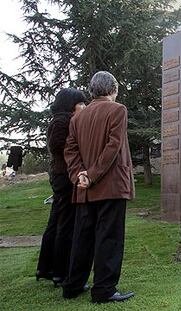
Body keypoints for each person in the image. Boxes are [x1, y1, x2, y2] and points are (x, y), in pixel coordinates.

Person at [63, 71, 135, 303]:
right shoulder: (118, 110)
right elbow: (113, 147)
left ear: (93, 91)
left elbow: (70, 151)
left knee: (83, 238)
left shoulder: (77, 118)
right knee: (109, 238)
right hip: (111, 186)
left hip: (84, 188)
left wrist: (79, 176)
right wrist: (91, 175)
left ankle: (73, 286)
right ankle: (104, 290)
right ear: (113, 90)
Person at [36, 88, 86, 287]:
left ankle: (46, 268)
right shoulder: (62, 121)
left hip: (59, 175)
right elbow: (59, 146)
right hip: (64, 176)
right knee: (66, 223)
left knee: (56, 221)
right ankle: (61, 271)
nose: (84, 107)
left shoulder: (60, 120)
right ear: (70, 104)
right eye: (80, 104)